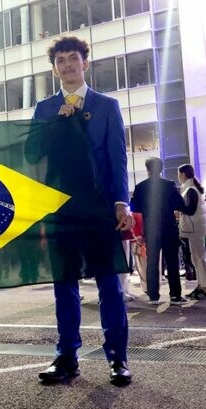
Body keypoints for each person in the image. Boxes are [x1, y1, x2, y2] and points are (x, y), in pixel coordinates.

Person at [31, 36, 133, 386]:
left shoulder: (106, 106)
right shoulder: (45, 109)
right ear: (54, 68)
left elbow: (118, 158)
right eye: (60, 60)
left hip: (101, 208)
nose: (67, 65)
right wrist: (55, 124)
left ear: (85, 63)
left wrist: (123, 202)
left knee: (109, 285)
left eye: (73, 58)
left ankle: (118, 357)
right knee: (64, 286)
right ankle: (66, 356)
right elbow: (31, 154)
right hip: (61, 210)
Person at [131, 157, 188, 306]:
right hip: (168, 226)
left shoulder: (140, 187)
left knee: (152, 261)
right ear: (161, 169)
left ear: (147, 169)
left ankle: (153, 296)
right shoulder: (169, 185)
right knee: (172, 261)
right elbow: (180, 204)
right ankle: (175, 295)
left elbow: (134, 207)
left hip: (150, 228)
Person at [177, 164, 206, 301]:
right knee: (197, 258)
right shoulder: (192, 188)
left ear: (184, 174)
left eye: (179, 174)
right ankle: (201, 286)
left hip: (195, 228)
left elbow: (190, 210)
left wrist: (179, 207)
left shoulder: (190, 190)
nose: (178, 177)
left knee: (199, 258)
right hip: (196, 228)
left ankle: (203, 288)